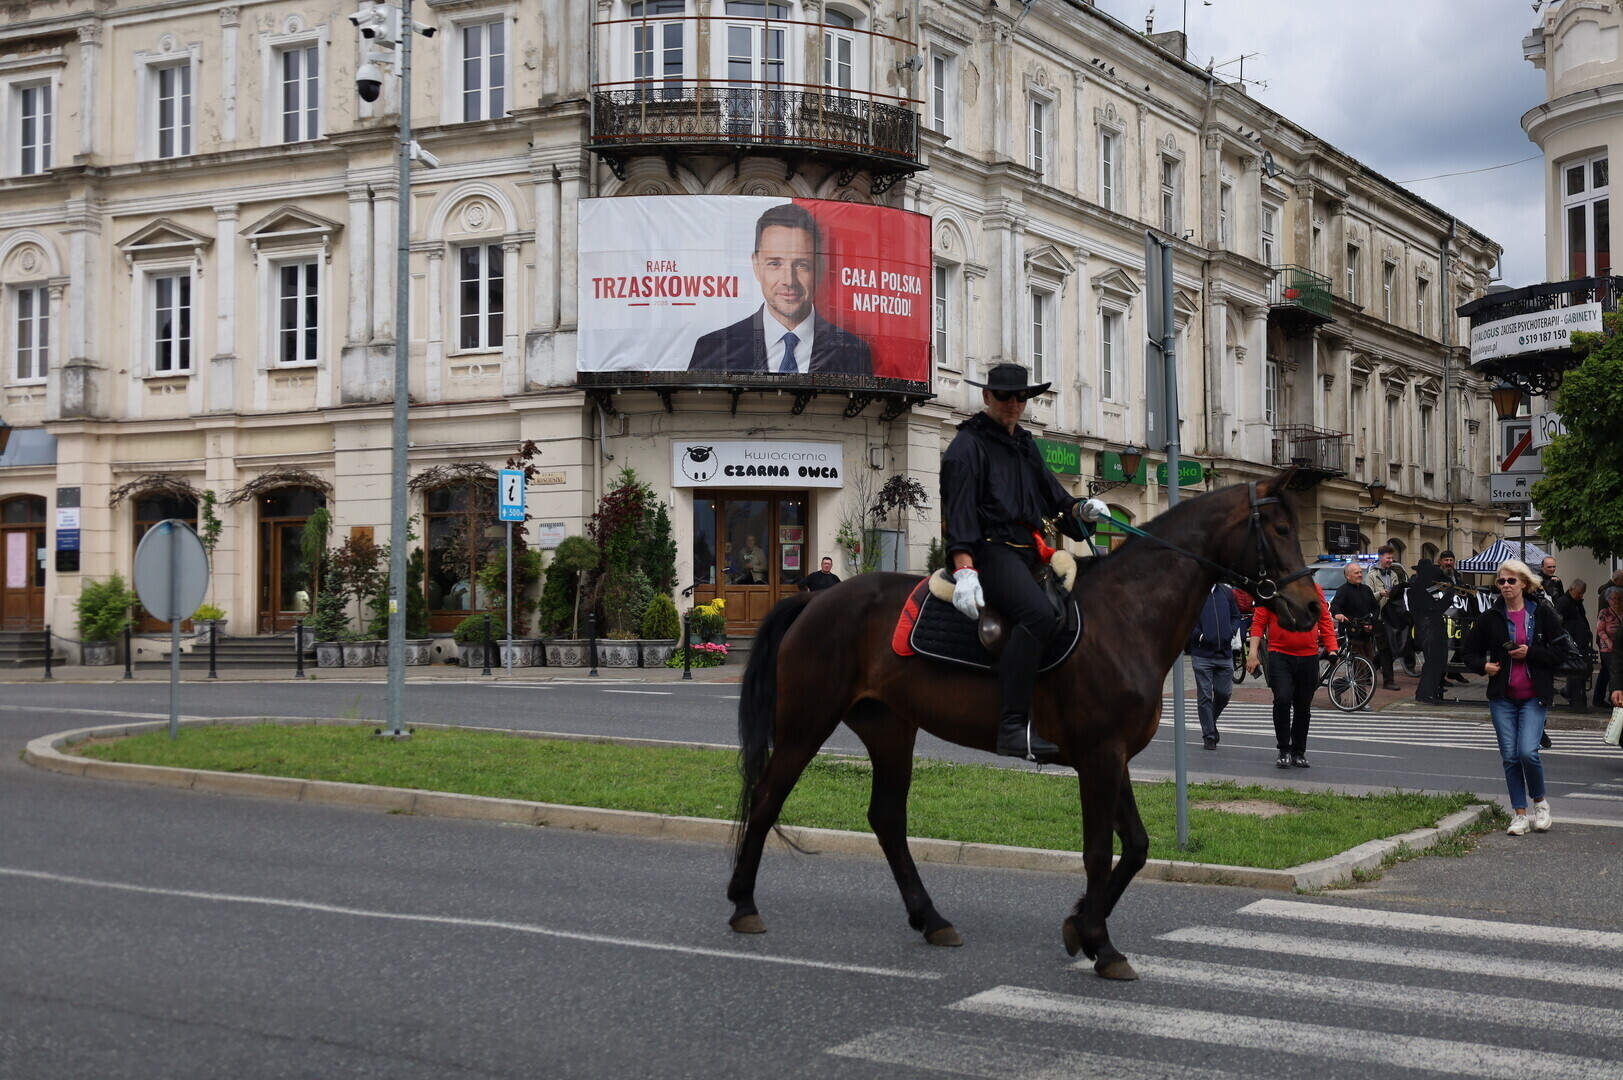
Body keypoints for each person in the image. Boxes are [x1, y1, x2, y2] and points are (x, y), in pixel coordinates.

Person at [941, 362, 1104, 762]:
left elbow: (1056, 501)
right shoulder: (967, 446)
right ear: (987, 396)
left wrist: (1081, 510)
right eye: (1004, 396)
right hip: (991, 550)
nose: (1013, 404)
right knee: (1038, 614)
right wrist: (965, 568)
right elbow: (959, 516)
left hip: (1028, 551)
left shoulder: (1026, 445)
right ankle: (1012, 726)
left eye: (1021, 397)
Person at [687, 203, 872, 375]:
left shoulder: (855, 351)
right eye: (774, 263)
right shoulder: (712, 348)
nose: (788, 281)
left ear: (819, 268)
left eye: (802, 265)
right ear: (756, 266)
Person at [1461, 559, 1563, 836]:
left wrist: (1531, 652)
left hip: (1534, 696)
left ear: (1524, 583)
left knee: (1527, 752)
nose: (1505, 585)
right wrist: (1483, 666)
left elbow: (1560, 653)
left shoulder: (1541, 613)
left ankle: (1540, 803)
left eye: (1511, 581)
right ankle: (1519, 814)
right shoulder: (1491, 617)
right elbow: (1468, 651)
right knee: (1510, 756)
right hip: (1502, 697)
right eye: (1501, 581)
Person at [1248, 580, 1336, 767]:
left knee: (1303, 706)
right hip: (1280, 654)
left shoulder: (1313, 589)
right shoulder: (1272, 590)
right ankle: (1284, 749)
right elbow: (1258, 623)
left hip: (1308, 656)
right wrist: (1253, 654)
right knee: (1282, 699)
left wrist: (1332, 648)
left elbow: (1324, 619)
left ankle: (1298, 752)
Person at [1187, 583, 1242, 750]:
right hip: (1202, 654)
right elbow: (1186, 619)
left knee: (1224, 694)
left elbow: (1236, 616)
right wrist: (1200, 636)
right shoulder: (1194, 593)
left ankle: (1210, 722)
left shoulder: (1226, 592)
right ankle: (1209, 736)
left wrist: (1231, 631)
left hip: (1224, 653)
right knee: (1205, 696)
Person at [1331, 563, 1379, 710]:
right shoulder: (1343, 590)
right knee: (1360, 667)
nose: (1360, 575)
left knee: (1366, 667)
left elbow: (1375, 608)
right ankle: (1362, 701)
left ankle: (1339, 685)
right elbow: (1335, 606)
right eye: (1356, 573)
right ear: (1347, 576)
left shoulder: (1366, 590)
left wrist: (1371, 622)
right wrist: (1338, 614)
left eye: (1360, 572)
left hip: (1366, 634)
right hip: (1351, 634)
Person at [1409, 558, 1453, 705]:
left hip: (1431, 628)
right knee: (1432, 661)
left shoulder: (1426, 587)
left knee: (1437, 660)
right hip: (1428, 630)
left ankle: (1431, 690)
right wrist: (1449, 596)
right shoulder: (1419, 589)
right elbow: (1437, 609)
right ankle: (1424, 693)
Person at [1366, 545, 1407, 690]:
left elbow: (1398, 594)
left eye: (1392, 558)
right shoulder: (1371, 576)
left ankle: (1366, 673)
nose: (1390, 560)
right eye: (1388, 557)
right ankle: (1388, 681)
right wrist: (1380, 594)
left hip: (1392, 617)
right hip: (1378, 618)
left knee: (1390, 649)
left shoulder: (1393, 574)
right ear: (1380, 557)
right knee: (1385, 649)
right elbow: (1368, 597)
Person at [1552, 580, 1590, 709]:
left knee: (1582, 668)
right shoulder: (1564, 602)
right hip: (1571, 642)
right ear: (1572, 590)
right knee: (1576, 669)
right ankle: (1572, 694)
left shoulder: (1576, 602)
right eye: (1579, 593)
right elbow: (1557, 622)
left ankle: (1571, 693)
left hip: (1579, 641)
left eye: (1582, 593)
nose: (1581, 595)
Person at [1435, 550, 1471, 685]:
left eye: (1451, 560)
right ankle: (1439, 677)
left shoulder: (1457, 575)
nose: (1449, 563)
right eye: (1446, 560)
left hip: (1458, 615)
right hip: (1442, 616)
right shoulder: (1435, 575)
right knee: (1442, 646)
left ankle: (1454, 672)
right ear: (1440, 561)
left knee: (1462, 643)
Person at [1595, 587, 1622, 709]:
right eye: (1613, 599)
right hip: (1607, 648)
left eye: (1619, 599)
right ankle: (1614, 699)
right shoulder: (1604, 613)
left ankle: (1599, 698)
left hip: (1620, 647)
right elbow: (1600, 630)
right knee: (1613, 671)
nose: (1616, 601)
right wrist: (1608, 641)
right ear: (1608, 600)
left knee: (1606, 672)